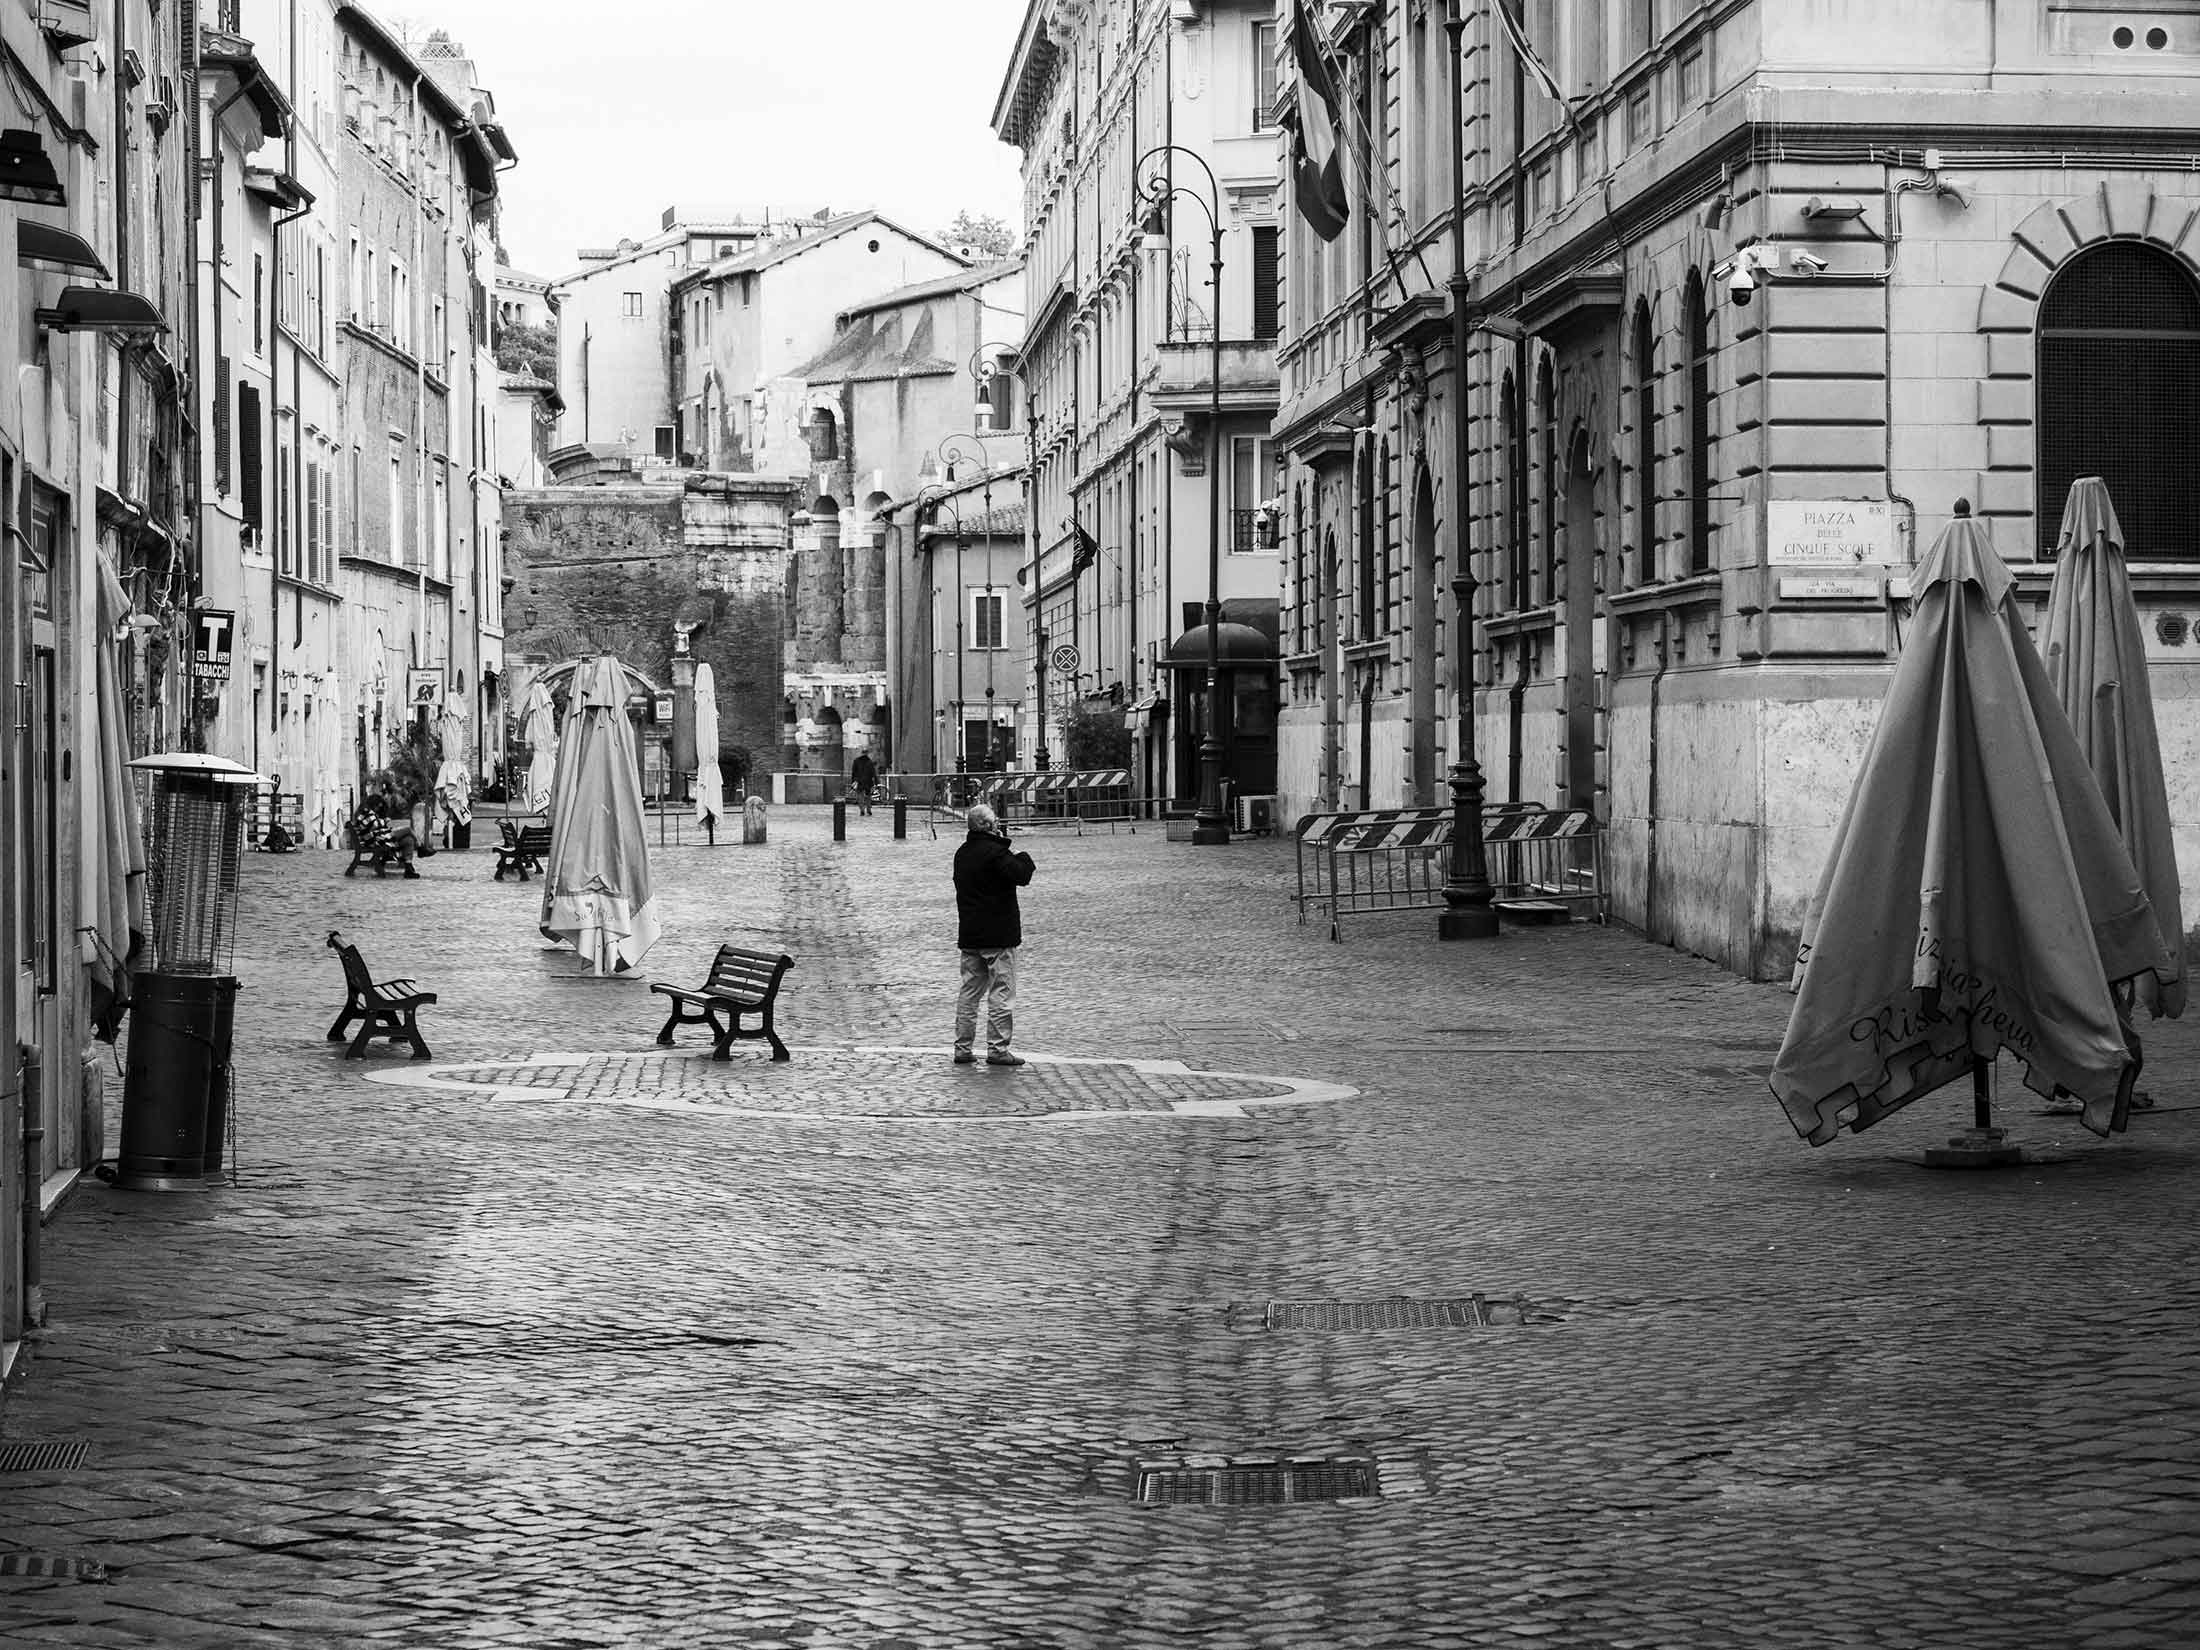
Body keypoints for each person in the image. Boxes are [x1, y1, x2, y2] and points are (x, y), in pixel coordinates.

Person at [952, 803, 1035, 1067]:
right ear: (988, 826)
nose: (999, 824)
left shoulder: (962, 853)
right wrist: (1022, 855)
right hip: (998, 935)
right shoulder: (996, 854)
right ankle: (998, 1049)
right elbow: (1021, 874)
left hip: (971, 934)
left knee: (969, 993)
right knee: (1001, 992)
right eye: (996, 821)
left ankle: (962, 1047)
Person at [849, 748, 878, 817]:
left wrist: (852, 782)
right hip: (868, 781)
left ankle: (862, 810)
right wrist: (876, 782)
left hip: (859, 781)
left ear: (861, 753)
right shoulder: (869, 762)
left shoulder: (856, 761)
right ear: (867, 753)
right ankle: (868, 810)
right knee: (868, 796)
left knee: (860, 796)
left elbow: (853, 772)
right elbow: (873, 773)